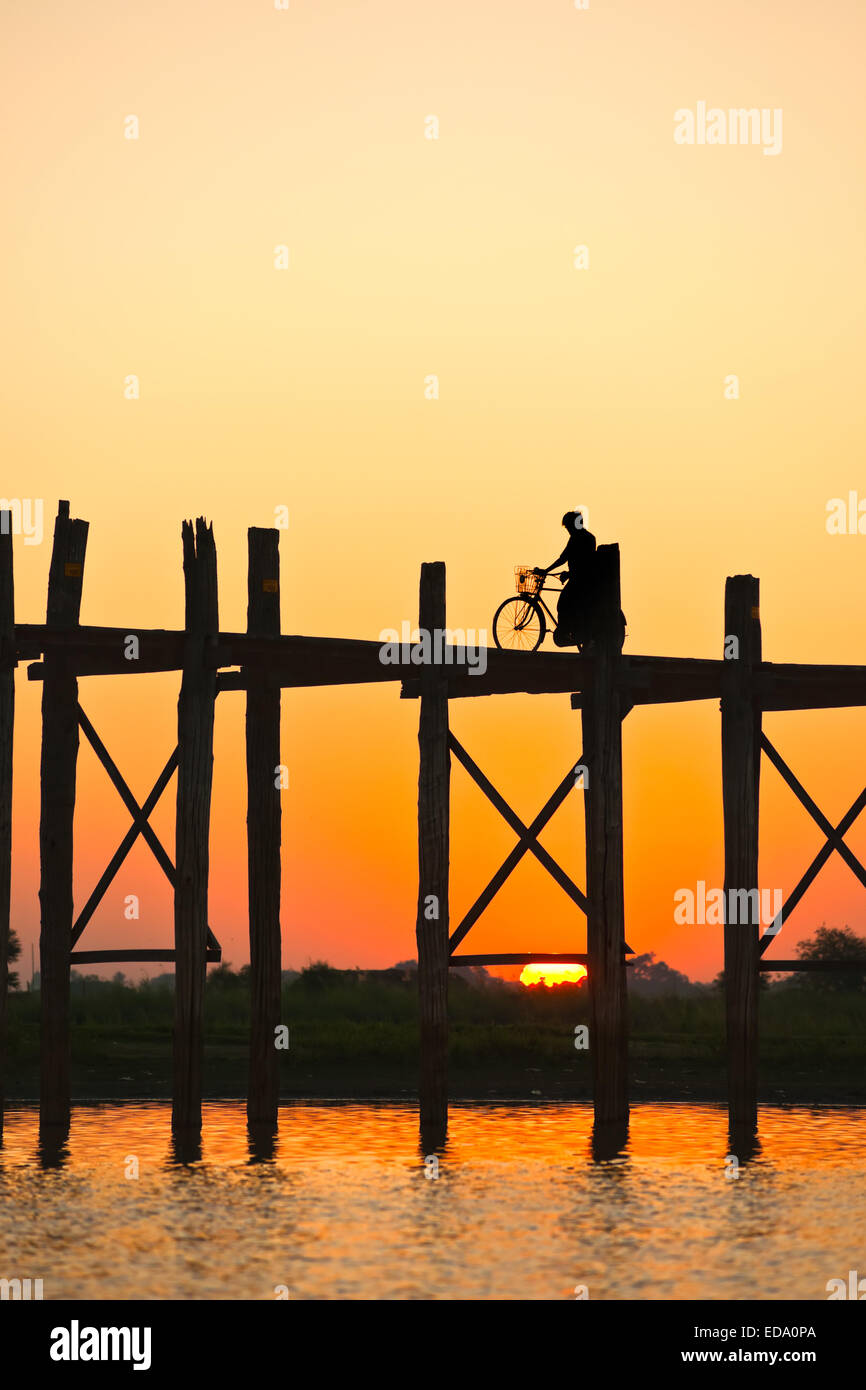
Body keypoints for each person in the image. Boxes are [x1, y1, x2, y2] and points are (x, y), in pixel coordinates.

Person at [537, 510, 598, 647]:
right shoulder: (577, 537)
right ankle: (569, 631)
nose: (568, 530)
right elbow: (563, 558)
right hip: (577, 578)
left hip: (583, 580)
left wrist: (568, 574)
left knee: (564, 603)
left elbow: (585, 563)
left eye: (569, 527)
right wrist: (546, 570)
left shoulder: (585, 538)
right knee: (566, 604)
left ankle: (569, 633)